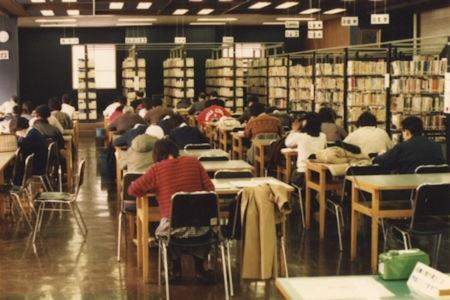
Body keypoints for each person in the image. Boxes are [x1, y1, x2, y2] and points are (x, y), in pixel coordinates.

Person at [128, 139, 215, 283]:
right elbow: (210, 189)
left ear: (156, 156)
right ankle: (200, 269)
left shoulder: (157, 170)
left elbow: (133, 190)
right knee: (195, 222)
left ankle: (176, 270)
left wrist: (153, 187)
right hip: (202, 228)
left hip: (173, 230)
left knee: (167, 229)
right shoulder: (194, 162)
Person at [373, 116, 445, 174]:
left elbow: (380, 161)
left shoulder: (402, 147)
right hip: (433, 188)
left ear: (407, 132)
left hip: (408, 188)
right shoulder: (436, 145)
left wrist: (380, 155)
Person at [285, 113, 327, 185]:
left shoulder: (301, 136)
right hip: (317, 172)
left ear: (306, 123)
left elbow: (287, 143)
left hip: (302, 173)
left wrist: (294, 131)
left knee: (292, 168)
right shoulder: (323, 136)